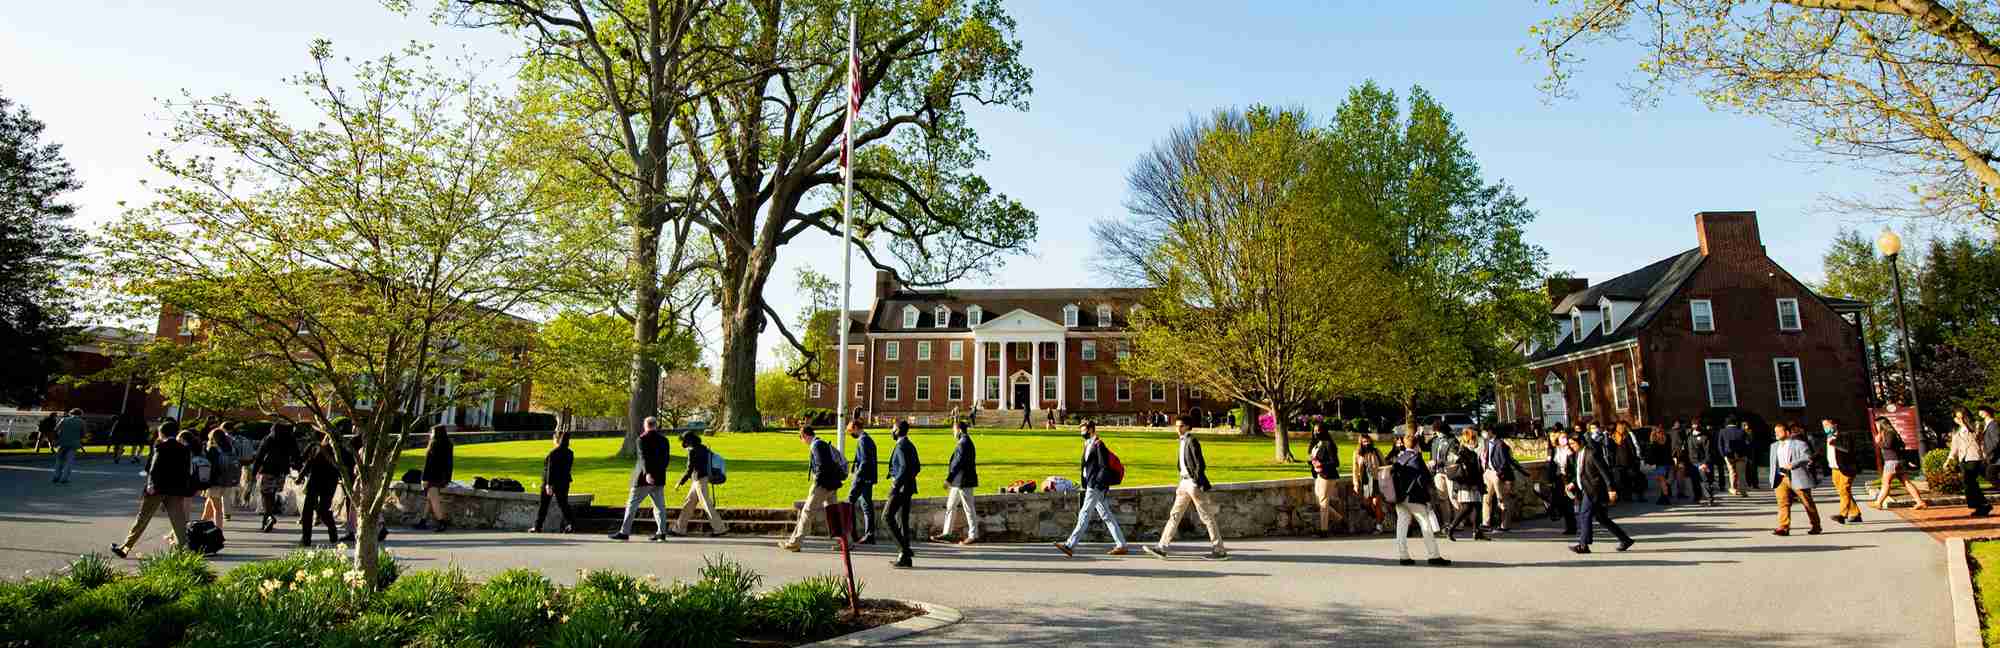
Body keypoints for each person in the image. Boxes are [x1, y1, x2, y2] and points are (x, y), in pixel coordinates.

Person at [1143, 416, 1228, 560]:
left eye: (1181, 426)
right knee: (1174, 515)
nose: (1178, 429)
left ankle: (1219, 550)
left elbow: (1200, 464)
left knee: (1206, 516)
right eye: (1176, 426)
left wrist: (1195, 480)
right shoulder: (1182, 441)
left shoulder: (1191, 440)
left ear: (1188, 427)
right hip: (1183, 483)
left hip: (1192, 483)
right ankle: (1162, 547)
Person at [110, 423, 194, 558]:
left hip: (158, 488)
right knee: (178, 519)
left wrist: (151, 485)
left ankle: (126, 547)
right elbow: (186, 471)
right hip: (176, 488)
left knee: (143, 517)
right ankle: (184, 548)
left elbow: (154, 469)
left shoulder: (160, 447)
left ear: (162, 433)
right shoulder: (184, 449)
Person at [1053, 421, 1130, 557]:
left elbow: (1104, 466)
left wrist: (1096, 483)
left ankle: (1070, 545)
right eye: (1081, 431)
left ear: (1091, 430)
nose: (1082, 433)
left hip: (1095, 486)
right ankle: (1122, 545)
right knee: (1106, 515)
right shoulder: (1087, 444)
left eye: (1084, 430)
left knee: (1084, 513)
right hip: (1092, 484)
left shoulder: (1098, 445)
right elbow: (1086, 466)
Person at [1567, 430, 1635, 554]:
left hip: (1594, 490)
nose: (1571, 446)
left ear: (1579, 442)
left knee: (1584, 514)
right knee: (1602, 519)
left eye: (1572, 443)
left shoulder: (1591, 454)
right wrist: (1573, 483)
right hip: (1586, 489)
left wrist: (1611, 489)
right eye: (1570, 444)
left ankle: (1583, 545)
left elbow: (1605, 472)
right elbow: (1580, 473)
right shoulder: (1578, 454)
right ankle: (1625, 539)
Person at [780, 426, 846, 552]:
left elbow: (822, 466)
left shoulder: (816, 445)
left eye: (801, 438)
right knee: (833, 514)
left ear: (805, 435)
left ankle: (795, 543)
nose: (802, 441)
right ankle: (845, 542)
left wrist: (817, 483)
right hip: (832, 484)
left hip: (823, 485)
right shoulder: (822, 443)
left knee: (807, 512)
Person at [1388, 432, 1449, 566]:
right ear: (1417, 445)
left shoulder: (1400, 458)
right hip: (1415, 497)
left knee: (1401, 527)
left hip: (1400, 497)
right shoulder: (1416, 458)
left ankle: (1403, 556)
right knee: (1425, 524)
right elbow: (1423, 480)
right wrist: (1428, 499)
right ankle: (1434, 555)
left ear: (1404, 444)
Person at [609, 417, 672, 541]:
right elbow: (666, 459)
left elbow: (643, 457)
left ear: (645, 425)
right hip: (659, 478)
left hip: (643, 479)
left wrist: (648, 473)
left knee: (632, 505)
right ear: (655, 425)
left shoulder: (642, 439)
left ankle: (624, 531)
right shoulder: (664, 440)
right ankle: (661, 532)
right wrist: (658, 472)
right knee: (659, 506)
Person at [670, 431, 728, 537]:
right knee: (688, 503)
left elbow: (689, 470)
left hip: (699, 480)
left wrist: (680, 482)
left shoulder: (692, 451)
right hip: (700, 479)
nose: (683, 444)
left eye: (684, 441)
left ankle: (720, 529)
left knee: (706, 505)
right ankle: (679, 529)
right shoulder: (703, 448)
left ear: (688, 441)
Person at [1769, 423, 1823, 535]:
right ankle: (1784, 527)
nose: (1776, 434)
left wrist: (1793, 464)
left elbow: (1807, 457)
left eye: (1779, 431)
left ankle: (1816, 526)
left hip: (1797, 476)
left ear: (1787, 432)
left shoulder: (1800, 444)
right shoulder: (1774, 446)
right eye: (1775, 432)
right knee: (1783, 503)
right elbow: (1773, 463)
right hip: (1781, 478)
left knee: (1807, 502)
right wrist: (1772, 478)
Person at [932, 421, 980, 545]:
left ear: (959, 430)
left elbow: (958, 463)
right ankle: (947, 533)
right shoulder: (964, 442)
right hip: (958, 481)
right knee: (950, 506)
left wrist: (948, 479)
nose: (953, 433)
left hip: (963, 481)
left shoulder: (963, 443)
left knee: (968, 508)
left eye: (953, 430)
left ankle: (973, 535)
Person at [296, 428, 342, 548]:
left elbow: (342, 466)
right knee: (307, 510)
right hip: (314, 481)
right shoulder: (316, 447)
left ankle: (332, 531)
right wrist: (300, 477)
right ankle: (306, 539)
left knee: (323, 510)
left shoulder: (338, 450)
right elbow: (308, 463)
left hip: (329, 483)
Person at [884, 421, 921, 568]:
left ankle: (904, 549)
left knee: (886, 517)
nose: (891, 432)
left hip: (900, 489)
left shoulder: (901, 445)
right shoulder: (910, 444)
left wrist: (895, 484)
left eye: (893, 429)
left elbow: (904, 467)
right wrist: (909, 479)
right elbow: (917, 467)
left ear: (898, 430)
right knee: (902, 521)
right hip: (909, 487)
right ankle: (905, 558)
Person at [1872, 416, 1928, 510]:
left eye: (1877, 424)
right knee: (1906, 482)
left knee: (1886, 483)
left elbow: (1888, 445)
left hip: (1892, 462)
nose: (1876, 426)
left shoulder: (1889, 433)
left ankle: (1878, 503)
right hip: (1897, 461)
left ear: (1881, 424)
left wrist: (1878, 442)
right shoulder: (1889, 433)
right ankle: (1920, 502)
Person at [251, 421, 297, 533]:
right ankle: (268, 517)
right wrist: (299, 469)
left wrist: (254, 472)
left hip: (268, 470)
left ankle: (269, 516)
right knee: (273, 493)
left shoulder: (269, 439)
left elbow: (259, 456)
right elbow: (296, 455)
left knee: (266, 494)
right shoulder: (290, 439)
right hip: (282, 472)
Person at [1826, 417, 1872, 525]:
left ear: (1835, 425)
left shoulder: (1844, 435)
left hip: (1846, 468)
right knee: (1843, 492)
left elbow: (1848, 449)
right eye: (1824, 426)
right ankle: (1855, 514)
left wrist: (1835, 444)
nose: (1825, 428)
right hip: (1834, 469)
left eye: (1827, 425)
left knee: (1844, 490)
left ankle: (1842, 515)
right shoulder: (1828, 437)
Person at [530, 429, 576, 534]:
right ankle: (571, 524)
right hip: (564, 481)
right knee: (563, 504)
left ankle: (538, 526)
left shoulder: (553, 453)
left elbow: (550, 469)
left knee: (544, 505)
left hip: (551, 482)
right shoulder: (569, 453)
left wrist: (548, 485)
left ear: (557, 439)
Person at [1447, 429, 1489, 542]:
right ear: (1469, 440)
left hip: (1472, 484)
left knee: (1476, 506)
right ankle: (1451, 528)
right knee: (1467, 508)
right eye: (1474, 440)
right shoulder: (1463, 452)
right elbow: (1464, 470)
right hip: (1466, 485)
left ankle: (1476, 531)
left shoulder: (1470, 452)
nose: (1476, 442)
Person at [411, 425, 455, 532]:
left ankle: (441, 522)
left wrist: (424, 479)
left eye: (432, 432)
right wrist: (448, 477)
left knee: (434, 500)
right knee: (430, 499)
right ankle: (423, 521)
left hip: (432, 477)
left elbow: (428, 464)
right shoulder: (448, 444)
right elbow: (450, 463)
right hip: (443, 477)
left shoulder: (434, 444)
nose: (430, 433)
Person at [1951, 407, 1991, 518]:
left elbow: (1981, 441)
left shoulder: (1976, 426)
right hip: (1963, 459)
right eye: (1956, 418)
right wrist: (1948, 460)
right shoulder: (1956, 432)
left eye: (1961, 417)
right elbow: (1954, 448)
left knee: (1969, 482)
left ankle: (1982, 505)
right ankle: (1981, 506)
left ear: (1966, 416)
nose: (1959, 420)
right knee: (1969, 484)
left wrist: (1985, 456)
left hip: (1974, 457)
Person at [1479, 426, 1519, 531]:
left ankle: (1504, 525)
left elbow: (1505, 462)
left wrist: (1499, 473)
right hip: (1488, 472)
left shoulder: (1500, 444)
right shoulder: (1488, 443)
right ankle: (1485, 523)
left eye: (1484, 431)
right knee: (1486, 498)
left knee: (1502, 499)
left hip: (1497, 474)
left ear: (1490, 431)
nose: (1483, 434)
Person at [846, 420, 879, 544]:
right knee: (866, 505)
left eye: (850, 431)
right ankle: (869, 534)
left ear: (855, 427)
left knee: (850, 503)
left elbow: (864, 462)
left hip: (863, 479)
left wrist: (857, 476)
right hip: (867, 478)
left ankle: (852, 533)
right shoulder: (867, 439)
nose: (850, 434)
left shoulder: (863, 440)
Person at [199, 427, 240, 524]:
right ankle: (201, 523)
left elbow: (209, 466)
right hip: (228, 481)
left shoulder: (213, 450)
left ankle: (218, 530)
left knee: (217, 509)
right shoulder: (231, 449)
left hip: (215, 482)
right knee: (209, 504)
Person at [1308, 423, 1343, 537]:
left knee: (1323, 502)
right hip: (1319, 475)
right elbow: (1314, 458)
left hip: (1328, 476)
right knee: (1319, 501)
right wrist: (1312, 462)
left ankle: (1324, 530)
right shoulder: (1316, 444)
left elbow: (1335, 463)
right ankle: (1340, 519)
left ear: (1324, 431)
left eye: (1318, 430)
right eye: (1314, 431)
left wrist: (1321, 464)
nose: (1316, 433)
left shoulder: (1329, 444)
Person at [1427, 421, 1461, 535]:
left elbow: (1453, 458)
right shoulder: (1435, 441)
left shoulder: (1453, 441)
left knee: (1453, 497)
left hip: (1449, 472)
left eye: (1438, 431)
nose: (1437, 433)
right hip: (1438, 472)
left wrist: (1437, 461)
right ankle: (1447, 522)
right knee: (1442, 499)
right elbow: (1428, 450)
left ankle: (1458, 521)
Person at [1351, 432, 1387, 534]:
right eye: (1364, 442)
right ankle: (1381, 516)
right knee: (1367, 504)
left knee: (1376, 503)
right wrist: (1355, 483)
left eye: (1367, 441)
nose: (1366, 443)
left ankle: (1379, 526)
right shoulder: (1357, 453)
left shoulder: (1376, 451)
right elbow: (1355, 470)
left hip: (1376, 480)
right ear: (1360, 443)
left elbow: (1384, 465)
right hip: (1365, 481)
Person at [1547, 429, 1578, 535]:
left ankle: (1572, 527)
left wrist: (1573, 481)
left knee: (1568, 504)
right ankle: (1566, 522)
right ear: (1558, 440)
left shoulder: (1571, 451)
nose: (1564, 440)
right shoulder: (1555, 450)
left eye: (1565, 437)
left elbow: (1575, 467)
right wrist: (1550, 479)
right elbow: (1551, 465)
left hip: (1568, 479)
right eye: (1562, 438)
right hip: (1558, 479)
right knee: (1560, 503)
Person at [1684, 421, 1719, 507]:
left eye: (1697, 424)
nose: (1695, 426)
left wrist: (1705, 463)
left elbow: (1708, 451)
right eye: (1693, 424)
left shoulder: (1705, 436)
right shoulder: (1689, 435)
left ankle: (1710, 499)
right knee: (1695, 481)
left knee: (1705, 481)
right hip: (1692, 462)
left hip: (1701, 462)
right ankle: (1697, 497)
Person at [51, 409, 85, 484]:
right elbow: (83, 434)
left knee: (59, 461)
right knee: (69, 462)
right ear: (80, 414)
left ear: (70, 413)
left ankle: (56, 476)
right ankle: (64, 478)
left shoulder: (63, 419)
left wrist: (55, 440)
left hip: (62, 443)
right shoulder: (81, 422)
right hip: (73, 444)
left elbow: (55, 430)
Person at [1718, 418, 1750, 496]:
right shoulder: (1742, 431)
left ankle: (1733, 489)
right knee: (1741, 473)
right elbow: (1747, 443)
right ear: (1736, 423)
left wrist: (1724, 455)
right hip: (1741, 455)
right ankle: (1743, 491)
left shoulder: (1722, 431)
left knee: (1732, 472)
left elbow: (1720, 444)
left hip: (1729, 455)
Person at [1643, 427, 1673, 506]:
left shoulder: (1654, 443)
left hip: (1660, 465)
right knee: (1664, 482)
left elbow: (1651, 456)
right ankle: (1663, 496)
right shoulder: (1667, 440)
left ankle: (1665, 498)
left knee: (1662, 482)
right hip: (1668, 464)